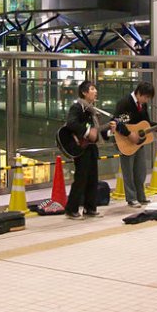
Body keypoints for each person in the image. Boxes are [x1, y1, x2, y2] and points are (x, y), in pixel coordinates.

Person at [114, 82, 157, 208]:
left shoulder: (143, 105)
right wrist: (129, 134)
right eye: (146, 97)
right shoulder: (124, 102)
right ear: (139, 93)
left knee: (140, 171)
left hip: (139, 143)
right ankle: (131, 198)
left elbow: (146, 124)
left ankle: (141, 196)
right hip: (125, 142)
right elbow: (116, 122)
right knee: (128, 171)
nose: (146, 100)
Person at [64, 80, 116, 219]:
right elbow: (71, 123)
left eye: (95, 89)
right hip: (81, 147)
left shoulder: (93, 111)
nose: (95, 91)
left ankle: (90, 208)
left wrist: (110, 130)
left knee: (93, 178)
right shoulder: (78, 107)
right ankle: (71, 209)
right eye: (92, 89)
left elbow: (98, 132)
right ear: (84, 92)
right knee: (81, 178)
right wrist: (87, 133)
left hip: (92, 147)